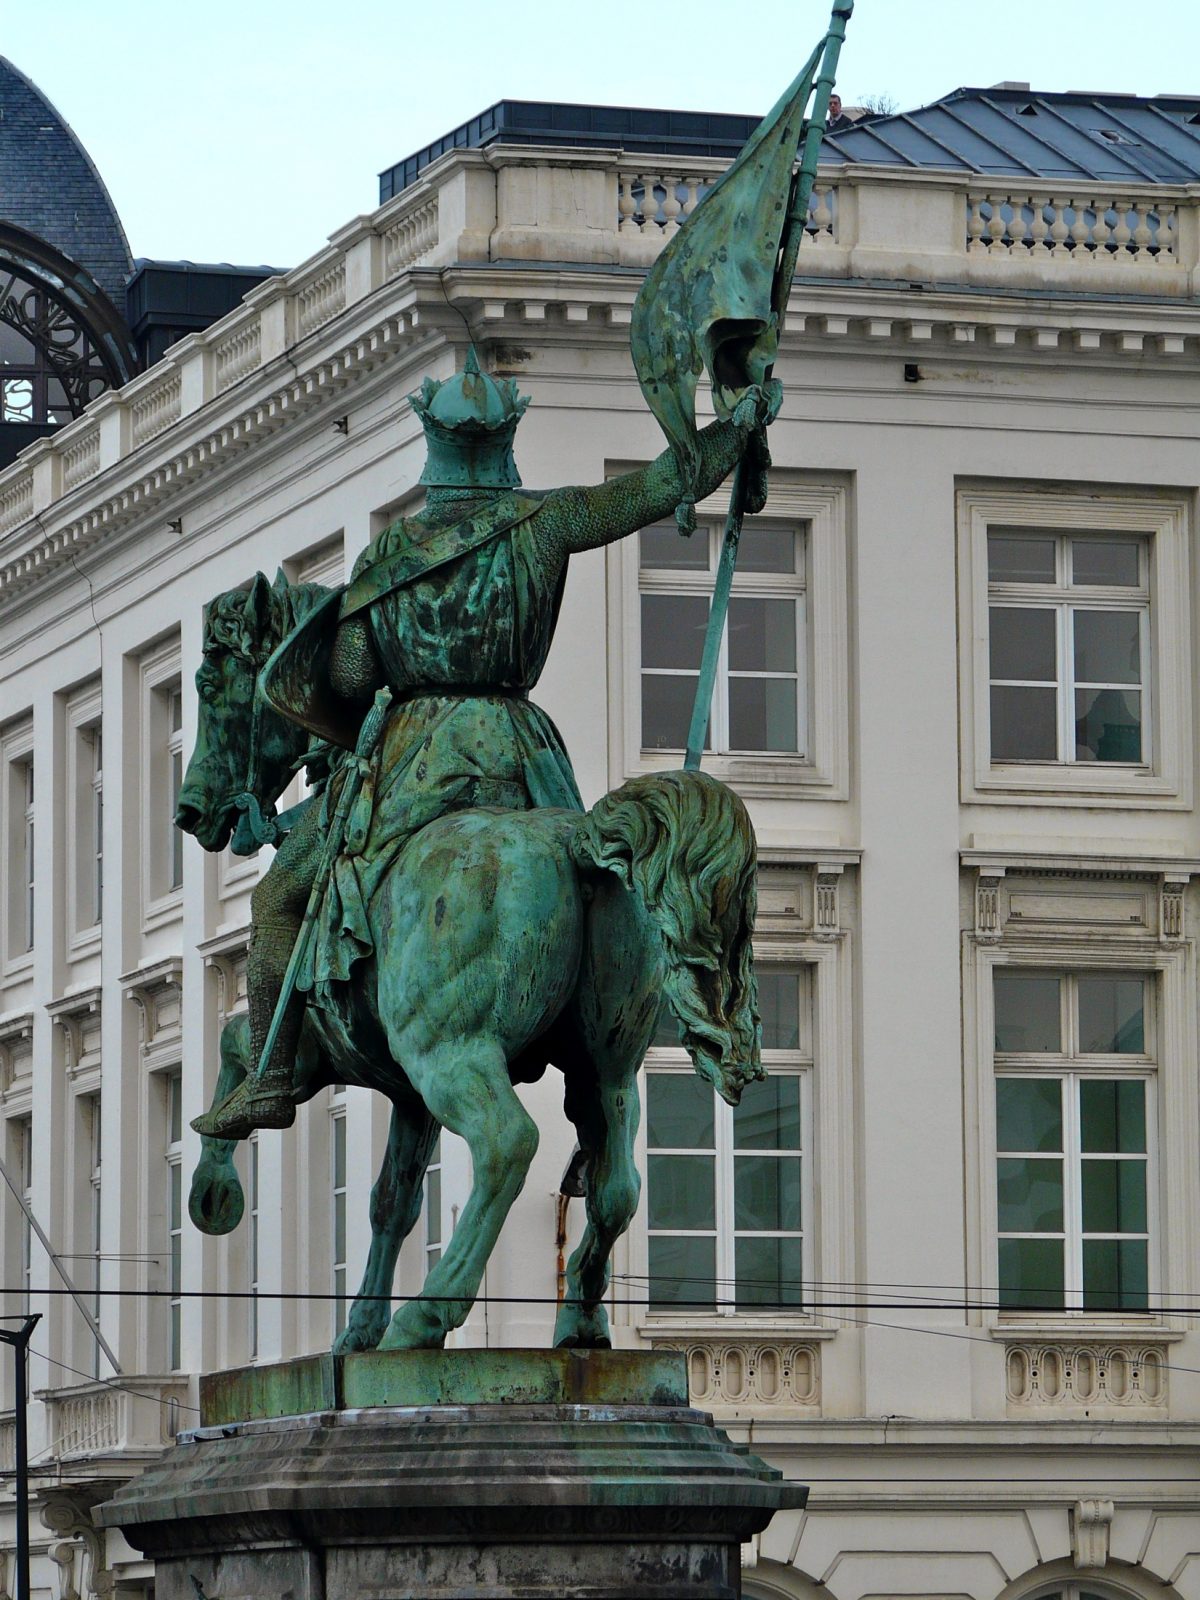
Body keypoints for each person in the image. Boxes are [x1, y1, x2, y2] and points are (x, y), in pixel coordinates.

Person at [194, 350, 780, 1138]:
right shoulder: (549, 522)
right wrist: (736, 429)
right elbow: (658, 486)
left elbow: (352, 672)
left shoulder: (390, 555)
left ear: (433, 450)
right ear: (505, 446)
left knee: (277, 899)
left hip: (418, 757)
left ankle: (267, 1078)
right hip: (520, 751)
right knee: (597, 874)